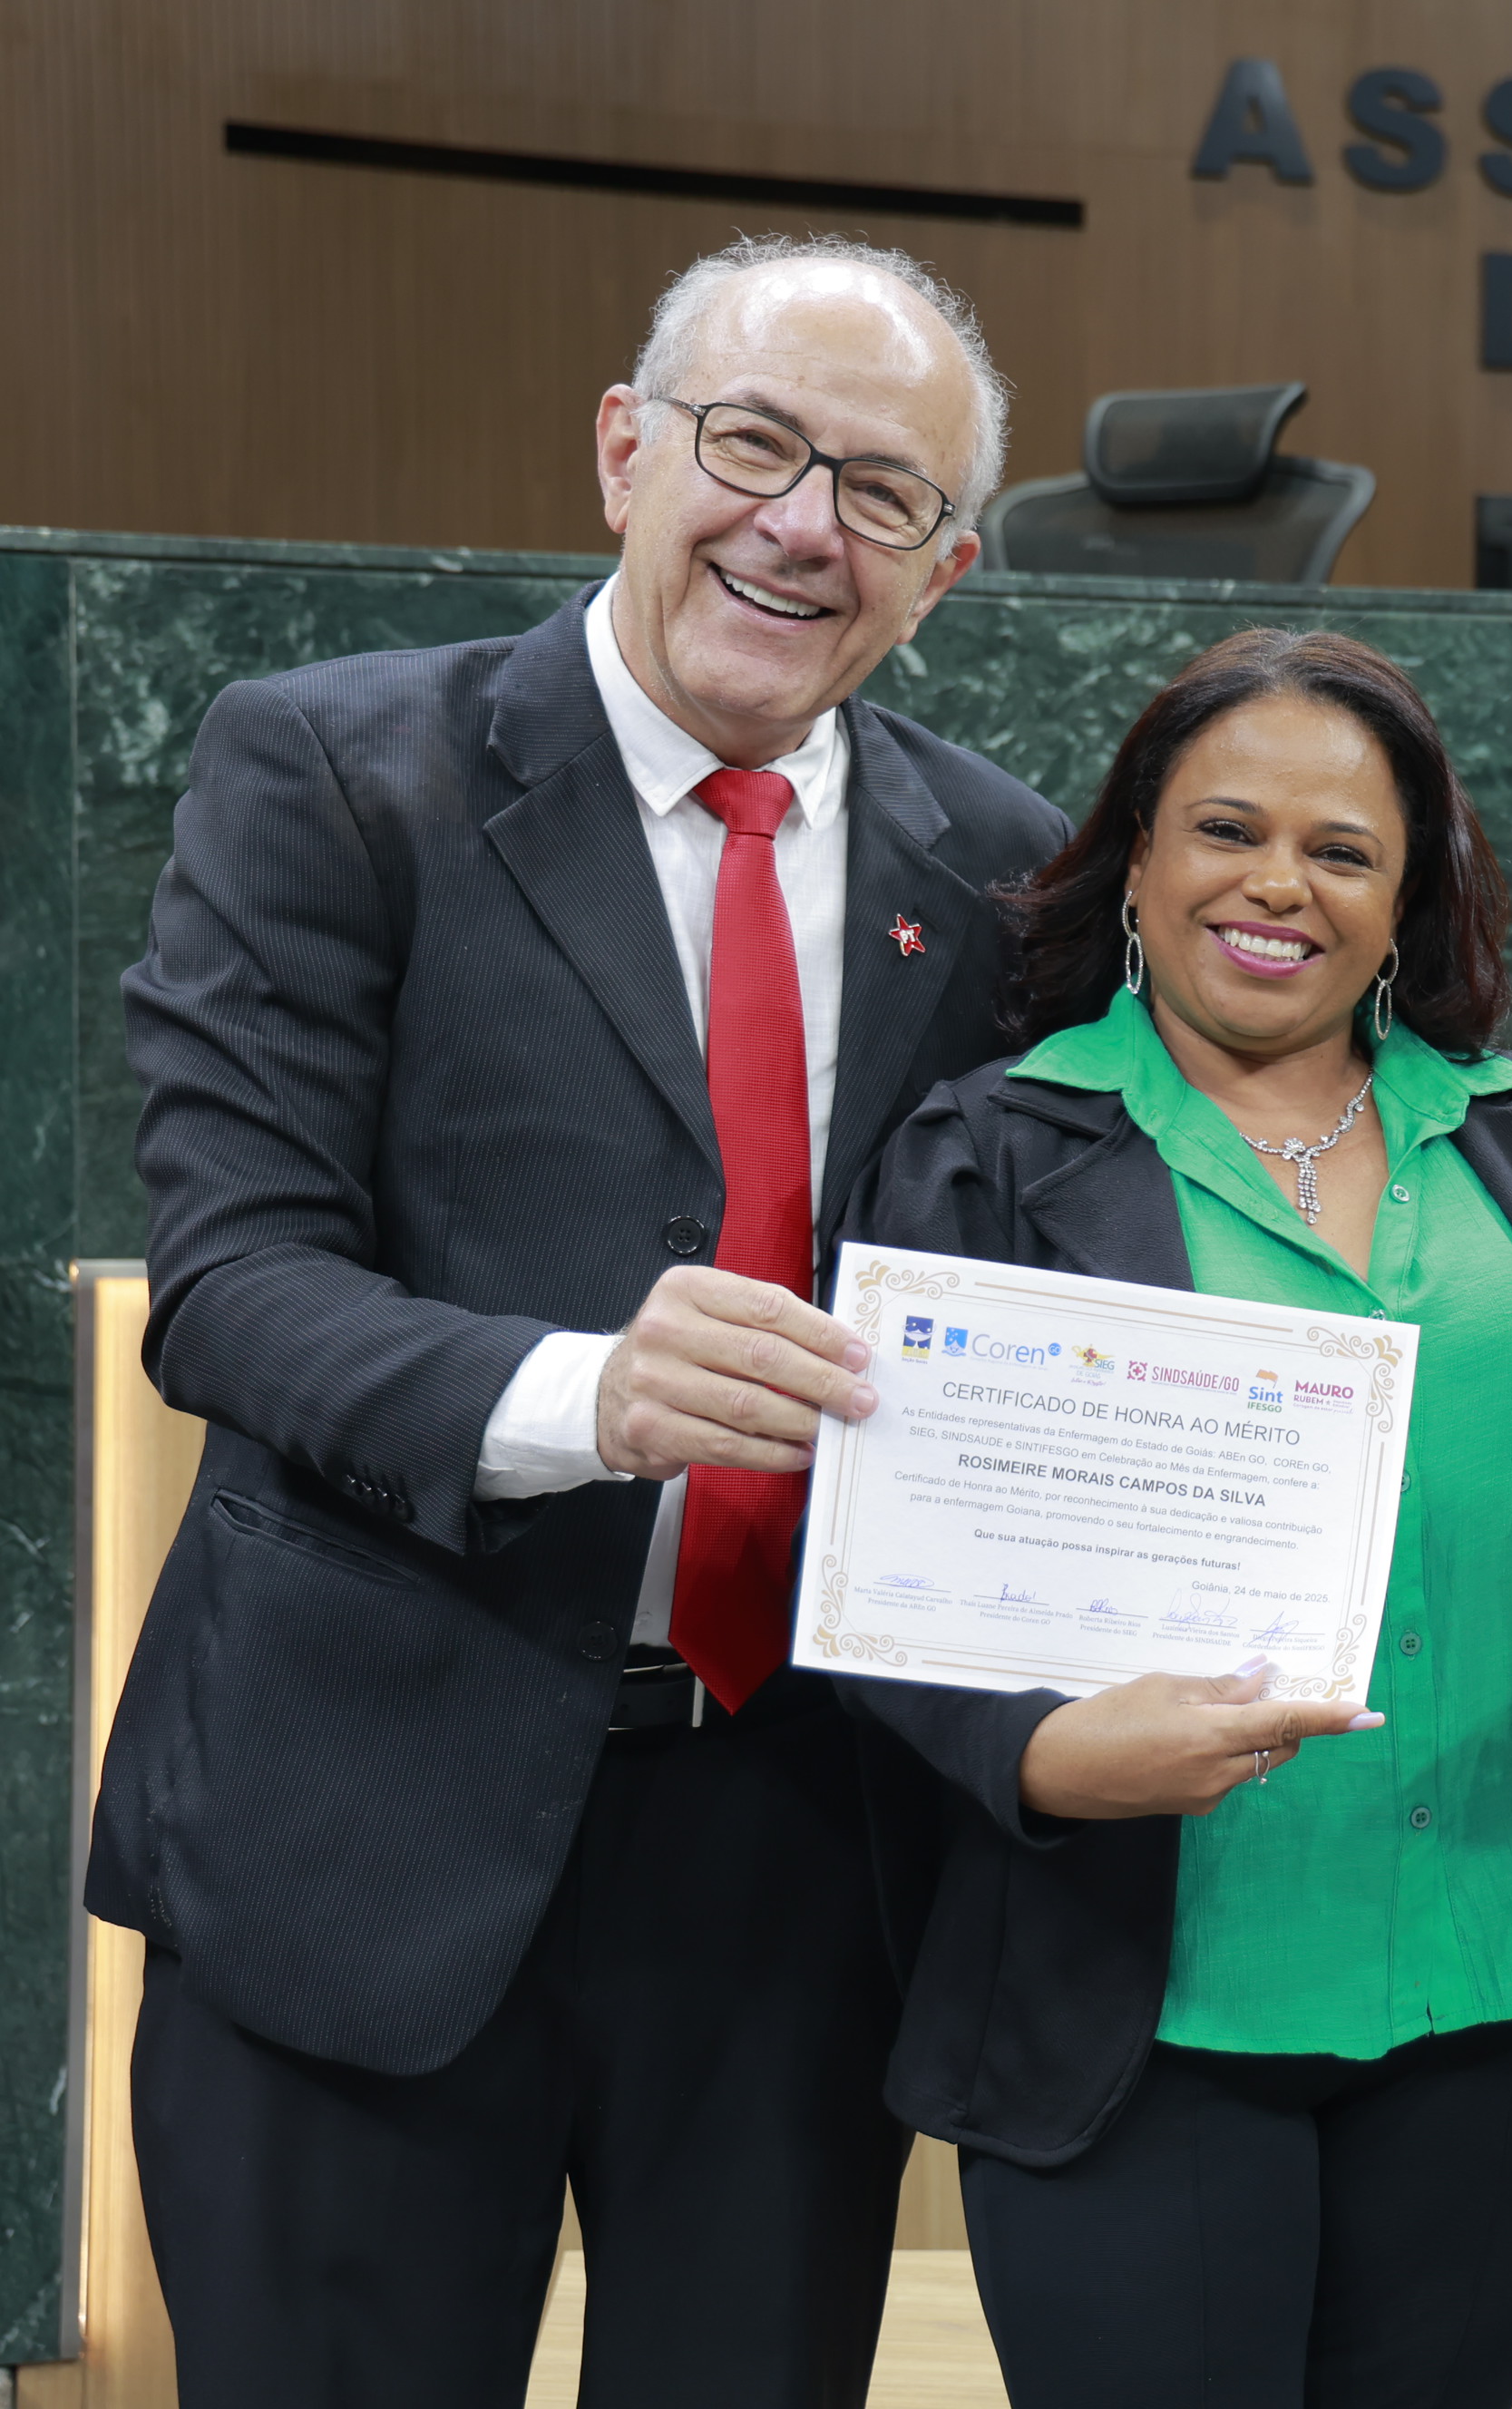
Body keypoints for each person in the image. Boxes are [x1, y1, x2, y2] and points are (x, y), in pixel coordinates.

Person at [100, 235, 1071, 2404]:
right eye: (754, 443)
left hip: (792, 1855)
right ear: (627, 449)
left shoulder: (1009, 877)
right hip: (359, 1823)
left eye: (882, 492)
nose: (802, 524)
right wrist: (585, 1396)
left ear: (945, 569)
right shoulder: (336, 767)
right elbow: (232, 1286)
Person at [836, 628, 1512, 2409]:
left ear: (1406, 900)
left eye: (1343, 850)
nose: (1279, 884)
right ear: (1134, 862)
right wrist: (1035, 1753)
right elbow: (884, 1583)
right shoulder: (987, 1154)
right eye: (1227, 830)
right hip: (1139, 2003)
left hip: (1499, 1991)